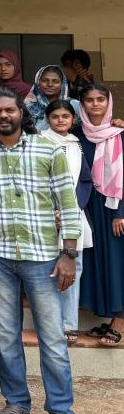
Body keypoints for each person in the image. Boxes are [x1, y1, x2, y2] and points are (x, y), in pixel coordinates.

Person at [0, 87, 78, 414]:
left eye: (9, 110)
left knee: (51, 338)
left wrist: (69, 254)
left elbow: (68, 204)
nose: (3, 116)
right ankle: (17, 404)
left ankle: (61, 409)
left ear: (21, 111)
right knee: (6, 336)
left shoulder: (49, 150)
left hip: (44, 258)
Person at [41, 100, 93, 345]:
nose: (60, 120)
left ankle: (69, 324)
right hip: (47, 214)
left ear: (73, 119)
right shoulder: (40, 141)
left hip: (73, 215)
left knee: (75, 268)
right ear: (47, 119)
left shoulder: (76, 144)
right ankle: (51, 324)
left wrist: (75, 208)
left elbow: (85, 180)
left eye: (65, 116)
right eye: (55, 116)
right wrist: (53, 210)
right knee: (49, 270)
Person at [77, 83, 124, 345]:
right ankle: (108, 317)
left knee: (118, 263)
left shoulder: (120, 133)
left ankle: (120, 321)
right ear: (81, 104)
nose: (95, 104)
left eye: (100, 99)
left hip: (115, 207)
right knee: (98, 262)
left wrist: (121, 212)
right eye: (89, 100)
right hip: (88, 206)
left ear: (109, 102)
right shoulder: (76, 134)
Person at [24, 66, 79, 132]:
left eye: (55, 82)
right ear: (38, 82)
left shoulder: (74, 105)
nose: (50, 84)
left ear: (63, 84)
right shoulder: (27, 105)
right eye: (44, 81)